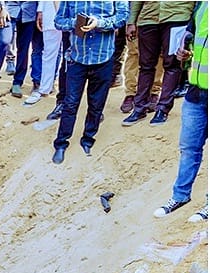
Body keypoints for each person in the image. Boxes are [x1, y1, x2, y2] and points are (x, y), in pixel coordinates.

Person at [50, 1, 129, 164]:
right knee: (70, 103)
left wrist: (99, 23)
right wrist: (76, 22)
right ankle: (61, 143)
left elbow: (122, 17)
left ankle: (88, 139)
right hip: (77, 58)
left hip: (103, 58)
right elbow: (58, 21)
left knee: (96, 104)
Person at [154, 1, 208, 222]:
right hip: (196, 91)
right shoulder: (202, 5)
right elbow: (193, 36)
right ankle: (180, 196)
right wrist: (184, 55)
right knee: (189, 147)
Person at [121, 2, 195, 127]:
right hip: (148, 18)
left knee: (172, 64)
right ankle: (139, 108)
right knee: (145, 65)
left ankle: (163, 108)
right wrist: (131, 21)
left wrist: (193, 25)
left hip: (177, 17)